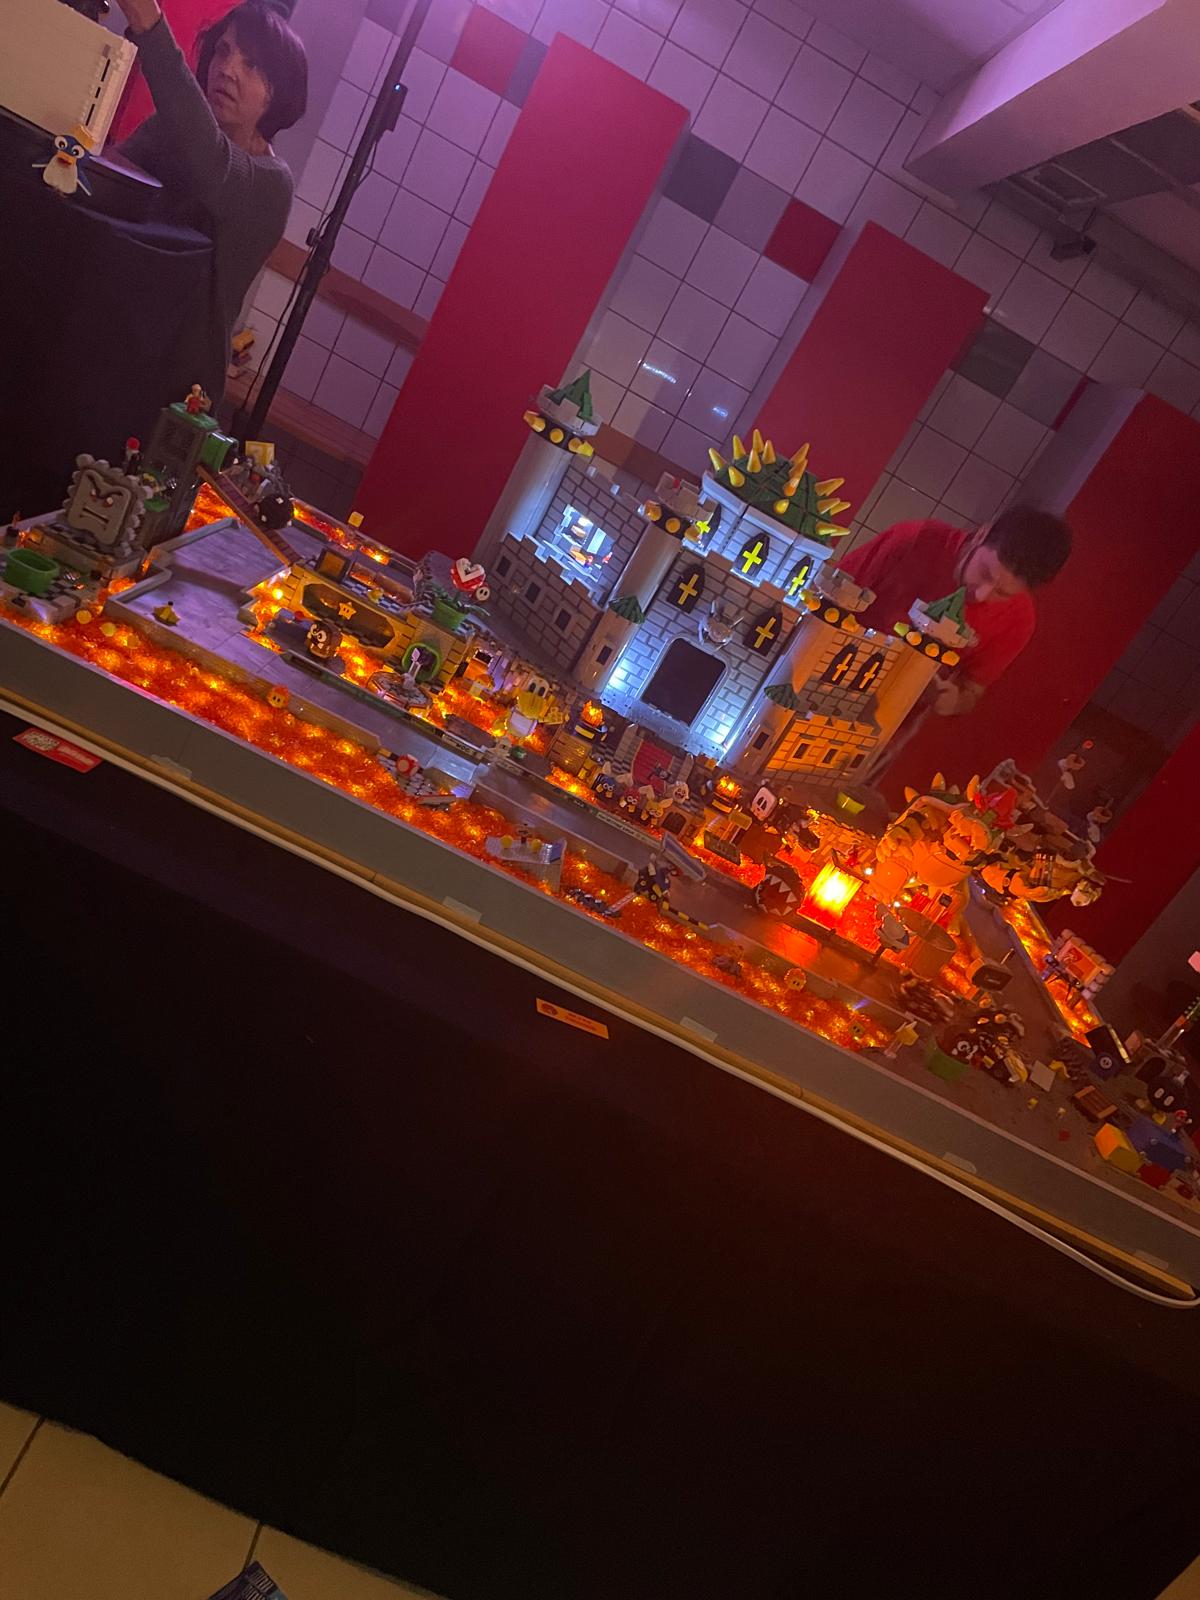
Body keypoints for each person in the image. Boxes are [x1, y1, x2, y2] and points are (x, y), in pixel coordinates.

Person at [114, 0, 308, 407]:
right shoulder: (174, 131)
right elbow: (112, 182)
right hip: (118, 339)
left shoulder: (272, 183)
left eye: (252, 65)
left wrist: (150, 26)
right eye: (223, 50)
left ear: (277, 95)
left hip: (179, 393)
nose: (227, 69)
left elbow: (213, 167)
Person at [836, 505, 1072, 776]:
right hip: (825, 676)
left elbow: (972, 690)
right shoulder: (915, 538)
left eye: (1002, 593)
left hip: (878, 736)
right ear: (981, 534)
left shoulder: (1019, 619)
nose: (981, 595)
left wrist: (953, 700)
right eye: (985, 573)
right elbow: (831, 593)